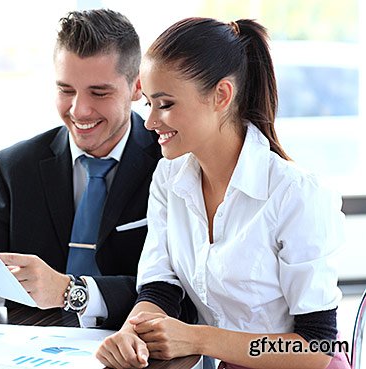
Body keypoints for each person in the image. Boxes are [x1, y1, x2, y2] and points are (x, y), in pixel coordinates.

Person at [96, 17, 349, 369]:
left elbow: (317, 347)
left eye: (165, 104)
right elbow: (160, 287)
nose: (151, 122)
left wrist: (198, 337)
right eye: (148, 105)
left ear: (221, 95)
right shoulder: (169, 177)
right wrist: (132, 332)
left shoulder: (294, 195)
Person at [0, 8, 184, 330]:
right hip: (35, 350)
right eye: (66, 90)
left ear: (137, 87)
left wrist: (71, 291)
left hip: (141, 347)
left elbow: (186, 292)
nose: (79, 110)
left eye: (99, 92)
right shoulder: (17, 166)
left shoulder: (174, 162)